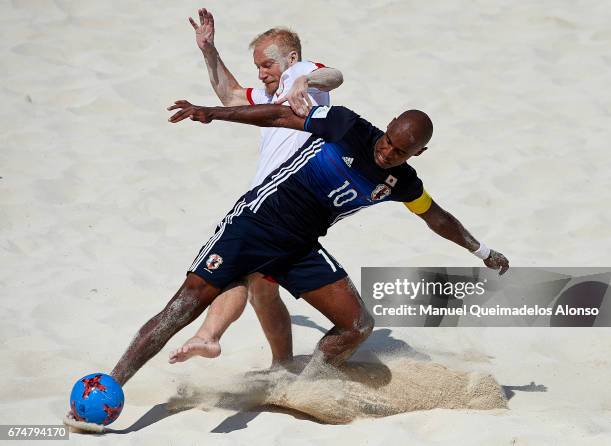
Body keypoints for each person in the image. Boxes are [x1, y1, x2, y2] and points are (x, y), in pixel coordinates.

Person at [107, 100, 509, 387]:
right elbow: (282, 114)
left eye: (402, 151)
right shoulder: (347, 126)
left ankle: (305, 386)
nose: (388, 152)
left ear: (419, 152)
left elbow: (435, 216)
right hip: (255, 225)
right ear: (387, 126)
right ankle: (113, 381)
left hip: (301, 248)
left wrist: (483, 251)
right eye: (388, 140)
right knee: (183, 306)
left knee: (358, 325)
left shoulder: (404, 183)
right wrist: (214, 112)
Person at [168, 8, 345, 366]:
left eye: (267, 65)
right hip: (268, 202)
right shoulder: (269, 97)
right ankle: (283, 366)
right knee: (262, 291)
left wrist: (304, 82)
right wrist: (209, 51)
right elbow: (231, 96)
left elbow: (334, 75)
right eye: (258, 68)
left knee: (241, 273)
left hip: (282, 205)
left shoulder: (301, 73)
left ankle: (210, 336)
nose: (262, 74)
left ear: (291, 59)